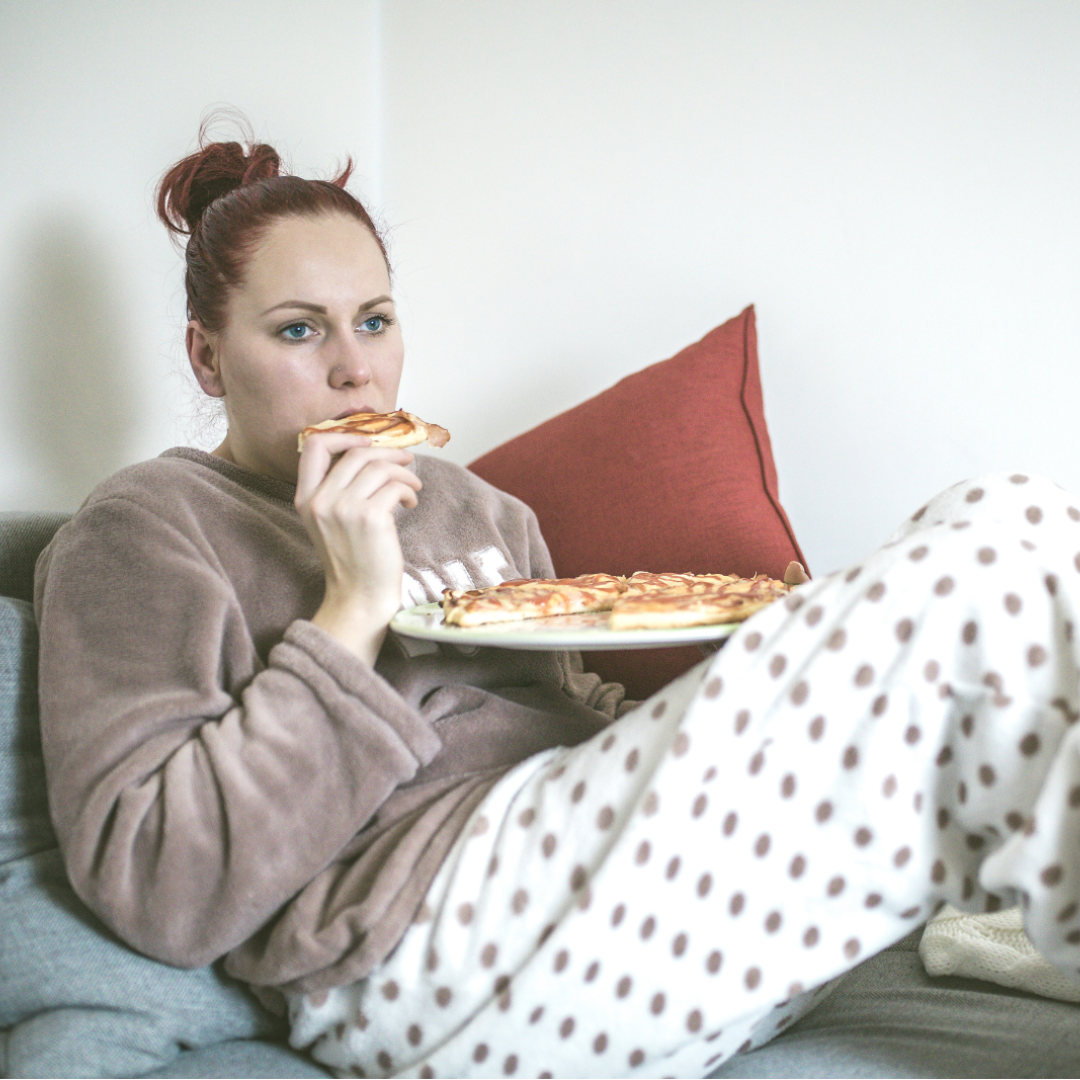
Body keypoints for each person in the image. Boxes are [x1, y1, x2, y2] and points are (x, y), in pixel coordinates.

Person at [34, 128, 1080, 1080]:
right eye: (300, 331)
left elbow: (573, 722)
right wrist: (352, 606)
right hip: (417, 953)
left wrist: (778, 685)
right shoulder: (146, 526)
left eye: (376, 320)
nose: (357, 369)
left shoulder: (477, 507)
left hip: (611, 889)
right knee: (968, 589)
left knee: (1012, 513)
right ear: (207, 357)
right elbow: (162, 885)